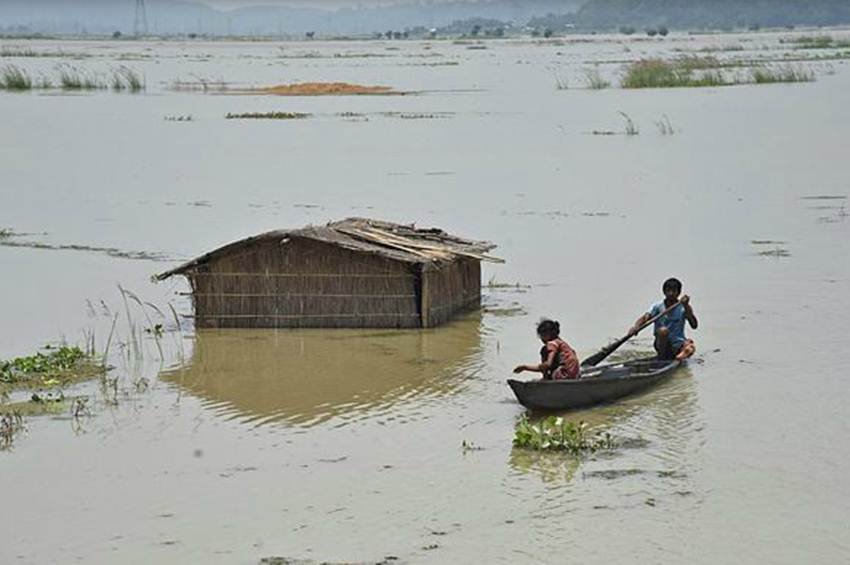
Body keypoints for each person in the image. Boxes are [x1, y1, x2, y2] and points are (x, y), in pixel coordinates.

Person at [630, 277, 698, 361]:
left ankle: (678, 358)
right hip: (662, 345)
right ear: (664, 291)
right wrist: (636, 327)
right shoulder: (657, 307)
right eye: (668, 290)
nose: (671, 293)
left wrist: (686, 306)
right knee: (663, 331)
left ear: (678, 293)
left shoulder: (683, 308)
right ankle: (662, 358)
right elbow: (645, 317)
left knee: (690, 346)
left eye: (674, 291)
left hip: (677, 345)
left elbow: (694, 325)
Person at [513, 319, 580, 380]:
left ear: (547, 334)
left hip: (565, 374)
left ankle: (546, 379)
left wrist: (525, 367)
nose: (540, 338)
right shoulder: (561, 343)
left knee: (544, 351)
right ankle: (547, 378)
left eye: (541, 335)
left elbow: (548, 364)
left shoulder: (552, 344)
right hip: (574, 373)